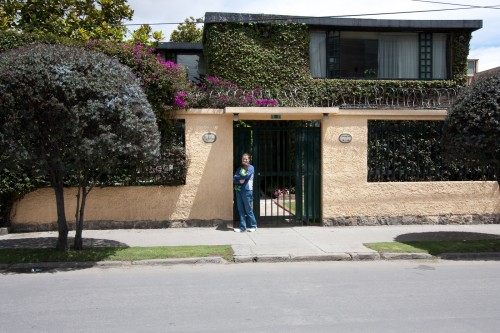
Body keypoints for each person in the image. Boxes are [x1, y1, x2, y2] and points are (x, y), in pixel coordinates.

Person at [233, 153, 257, 232]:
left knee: (248, 209)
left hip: (247, 191)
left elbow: (246, 176)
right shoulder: (239, 168)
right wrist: (239, 180)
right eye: (243, 159)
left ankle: (253, 226)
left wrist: (238, 178)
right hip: (239, 190)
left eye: (246, 159)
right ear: (242, 160)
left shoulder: (251, 168)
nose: (245, 160)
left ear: (249, 160)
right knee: (240, 209)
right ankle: (243, 228)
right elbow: (234, 179)